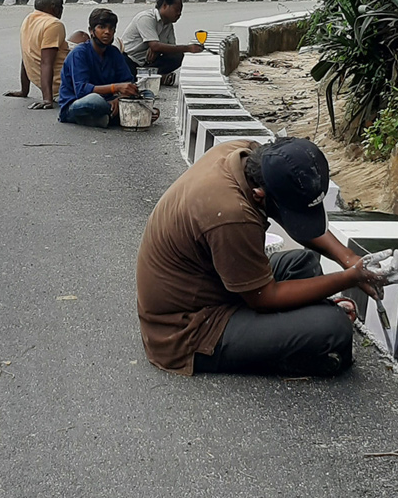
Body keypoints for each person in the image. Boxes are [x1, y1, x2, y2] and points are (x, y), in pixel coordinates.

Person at [136, 137, 383, 377]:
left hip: (215, 283)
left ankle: (294, 329)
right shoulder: (232, 214)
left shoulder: (249, 156)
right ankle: (298, 348)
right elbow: (264, 298)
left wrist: (351, 260)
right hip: (189, 328)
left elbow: (293, 219)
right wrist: (349, 278)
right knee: (333, 328)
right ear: (259, 196)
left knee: (303, 263)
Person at [4, 0, 87, 110]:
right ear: (54, 7)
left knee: (81, 35)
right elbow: (46, 63)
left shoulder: (28, 20)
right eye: (61, 6)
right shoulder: (54, 24)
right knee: (99, 47)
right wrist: (47, 99)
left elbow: (26, 55)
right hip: (63, 85)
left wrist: (24, 90)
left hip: (56, 69)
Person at [58, 7, 142, 127]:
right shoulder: (79, 53)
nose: (107, 32)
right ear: (91, 31)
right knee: (95, 101)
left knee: (147, 93)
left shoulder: (114, 52)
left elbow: (128, 82)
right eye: (102, 27)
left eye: (111, 28)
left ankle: (107, 117)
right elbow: (81, 90)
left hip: (111, 100)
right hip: (77, 104)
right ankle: (118, 115)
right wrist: (115, 88)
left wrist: (119, 99)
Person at [120, 0, 203, 86]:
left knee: (177, 56)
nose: (179, 14)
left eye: (180, 11)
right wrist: (188, 48)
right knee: (126, 76)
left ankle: (151, 77)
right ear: (164, 6)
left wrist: (158, 50)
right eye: (176, 10)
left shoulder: (168, 25)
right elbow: (155, 45)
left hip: (148, 62)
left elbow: (171, 48)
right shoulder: (146, 18)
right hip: (130, 59)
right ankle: (153, 78)